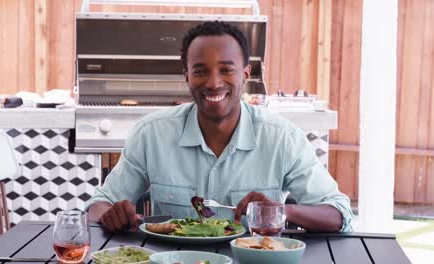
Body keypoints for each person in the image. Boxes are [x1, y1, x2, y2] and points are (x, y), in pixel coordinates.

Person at [87, 21, 353, 233]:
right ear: (186, 76)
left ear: (246, 74)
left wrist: (283, 212)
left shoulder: (282, 138)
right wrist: (112, 214)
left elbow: (339, 213)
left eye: (226, 70)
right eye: (201, 71)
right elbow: (97, 205)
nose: (214, 83)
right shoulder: (151, 134)